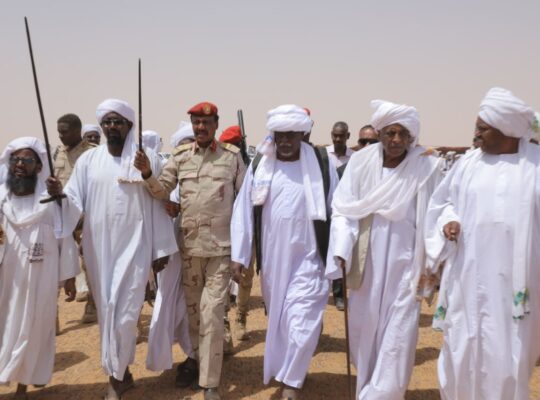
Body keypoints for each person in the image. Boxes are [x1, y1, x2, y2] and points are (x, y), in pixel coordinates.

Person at [46, 99, 177, 400]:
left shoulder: (146, 158)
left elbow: (159, 203)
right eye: (107, 122)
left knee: (127, 314)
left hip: (137, 248)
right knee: (107, 313)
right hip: (99, 250)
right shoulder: (88, 161)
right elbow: (73, 201)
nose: (112, 127)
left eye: (118, 121)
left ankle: (115, 380)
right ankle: (122, 372)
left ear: (129, 125)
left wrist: (160, 249)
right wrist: (59, 195)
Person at [424, 87, 540, 400]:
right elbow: (443, 202)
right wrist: (448, 220)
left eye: (482, 128)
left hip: (516, 286)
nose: (475, 134)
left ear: (507, 130)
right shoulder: (468, 164)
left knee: (508, 357)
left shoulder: (535, 168)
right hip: (467, 279)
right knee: (461, 349)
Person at [327, 100, 441, 399]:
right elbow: (344, 208)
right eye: (390, 133)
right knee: (362, 330)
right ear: (380, 133)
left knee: (399, 337)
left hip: (407, 268)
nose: (396, 140)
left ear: (411, 137)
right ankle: (368, 386)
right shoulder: (361, 163)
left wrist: (434, 260)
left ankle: (383, 393)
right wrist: (341, 248)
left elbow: (437, 212)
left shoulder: (426, 166)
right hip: (367, 265)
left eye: (403, 134)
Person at [134, 102, 246, 400]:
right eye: (196, 122)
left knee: (212, 314)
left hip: (221, 251)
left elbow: (244, 202)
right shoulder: (181, 157)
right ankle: (198, 361)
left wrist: (243, 251)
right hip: (190, 251)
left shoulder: (231, 157)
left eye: (206, 122)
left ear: (216, 124)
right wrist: (147, 174)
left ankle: (210, 383)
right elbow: (162, 190)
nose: (200, 127)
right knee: (195, 315)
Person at [230, 105, 338, 400]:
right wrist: (240, 255)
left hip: (311, 260)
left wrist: (339, 251)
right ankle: (293, 369)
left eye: (292, 135)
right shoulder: (261, 165)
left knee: (303, 321)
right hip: (274, 261)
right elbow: (243, 212)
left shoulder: (321, 165)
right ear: (273, 136)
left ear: (303, 134)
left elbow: (337, 209)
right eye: (280, 135)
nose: (286, 141)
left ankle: (291, 383)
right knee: (284, 321)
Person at [0, 137, 79, 400]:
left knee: (34, 328)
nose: (20, 164)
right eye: (16, 159)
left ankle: (22, 386)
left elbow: (66, 233)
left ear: (38, 167)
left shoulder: (50, 201)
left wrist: (69, 277)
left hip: (40, 277)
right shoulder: (1, 199)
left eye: (27, 160)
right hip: (7, 278)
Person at [146, 123, 195, 379]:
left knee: (195, 306)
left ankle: (195, 357)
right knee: (171, 304)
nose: (188, 148)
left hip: (201, 252)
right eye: (183, 144)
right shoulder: (167, 177)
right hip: (171, 254)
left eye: (192, 143)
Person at [55, 113, 98, 325]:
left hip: (84, 218)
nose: (61, 136)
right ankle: (50, 313)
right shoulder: (57, 153)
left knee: (89, 261)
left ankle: (93, 303)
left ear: (77, 131)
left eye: (65, 132)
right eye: (59, 132)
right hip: (60, 216)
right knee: (54, 263)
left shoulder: (92, 153)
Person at [219, 125, 254, 342]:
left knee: (245, 277)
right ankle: (224, 322)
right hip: (223, 229)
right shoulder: (219, 165)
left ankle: (241, 316)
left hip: (246, 230)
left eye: (234, 145)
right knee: (221, 277)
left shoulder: (253, 167)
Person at [325, 121, 354, 311]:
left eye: (341, 136)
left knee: (340, 251)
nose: (337, 139)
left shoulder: (355, 158)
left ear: (347, 136)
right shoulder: (323, 155)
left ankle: (339, 294)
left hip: (343, 213)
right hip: (324, 212)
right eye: (335, 135)